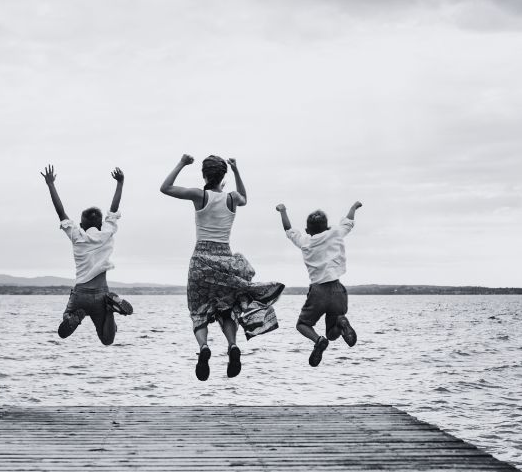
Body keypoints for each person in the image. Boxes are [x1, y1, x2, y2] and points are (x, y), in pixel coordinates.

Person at [161, 154, 284, 381]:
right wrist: (237, 169)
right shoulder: (232, 198)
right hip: (225, 259)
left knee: (198, 311)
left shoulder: (199, 195)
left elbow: (165, 188)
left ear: (204, 175)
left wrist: (181, 163)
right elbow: (245, 197)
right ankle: (232, 345)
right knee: (226, 310)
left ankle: (205, 347)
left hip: (201, 260)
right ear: (223, 176)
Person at [41, 164, 133, 345]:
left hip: (81, 293)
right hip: (101, 294)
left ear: (81, 225)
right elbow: (113, 211)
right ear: (100, 224)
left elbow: (61, 212)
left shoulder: (78, 235)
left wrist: (50, 184)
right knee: (107, 339)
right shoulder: (106, 232)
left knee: (66, 320)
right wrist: (120, 183)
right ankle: (110, 308)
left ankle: (73, 316)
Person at [277, 201, 362, 366]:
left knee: (302, 324)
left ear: (308, 230)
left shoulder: (305, 241)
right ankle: (341, 323)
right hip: (338, 290)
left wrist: (283, 210)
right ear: (328, 227)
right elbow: (348, 222)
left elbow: (288, 230)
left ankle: (318, 340)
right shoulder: (336, 233)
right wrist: (353, 207)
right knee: (332, 333)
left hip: (318, 292)